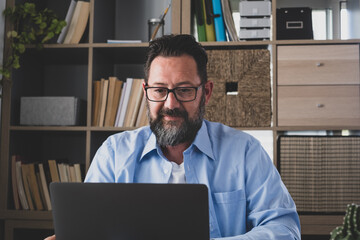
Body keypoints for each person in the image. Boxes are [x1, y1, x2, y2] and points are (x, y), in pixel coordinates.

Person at [45, 34, 300, 240]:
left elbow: (285, 229)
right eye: (159, 90)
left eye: (184, 90)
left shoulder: (245, 152)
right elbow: (90, 231)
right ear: (146, 92)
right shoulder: (114, 153)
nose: (171, 104)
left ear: (206, 92)